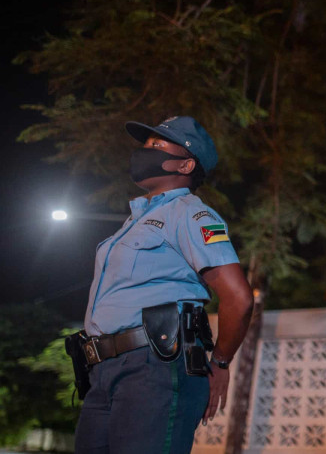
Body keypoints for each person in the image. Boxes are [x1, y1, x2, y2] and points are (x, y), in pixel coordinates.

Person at [74, 116, 254, 454]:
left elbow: (239, 297)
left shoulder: (190, 214)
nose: (145, 152)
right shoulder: (134, 221)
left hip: (155, 367)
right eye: (145, 145)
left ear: (185, 163)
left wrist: (221, 363)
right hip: (102, 371)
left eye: (157, 146)